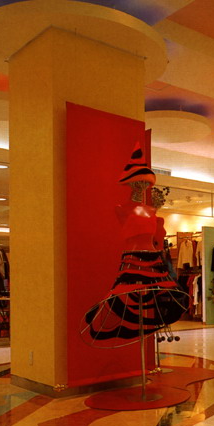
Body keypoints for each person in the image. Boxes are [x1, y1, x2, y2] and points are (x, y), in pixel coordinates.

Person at [81, 143, 188, 347]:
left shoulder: (151, 211)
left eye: (145, 182)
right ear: (130, 183)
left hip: (154, 262)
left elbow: (155, 239)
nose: (142, 186)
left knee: (153, 299)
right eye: (138, 182)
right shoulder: (121, 208)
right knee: (126, 297)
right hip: (133, 261)